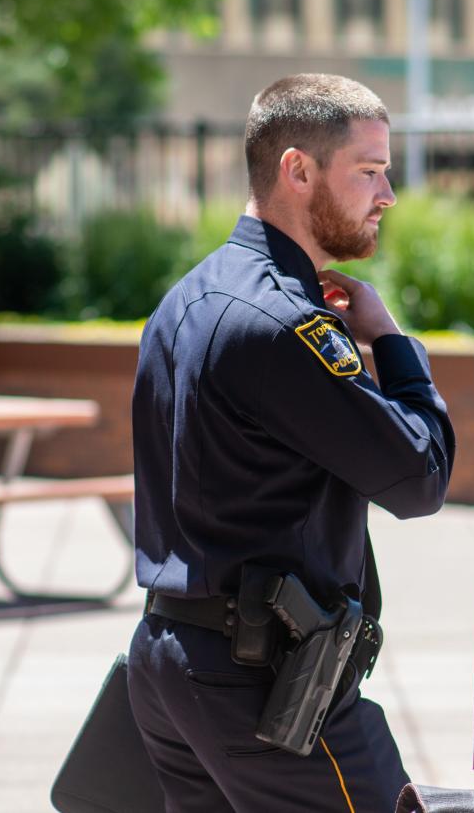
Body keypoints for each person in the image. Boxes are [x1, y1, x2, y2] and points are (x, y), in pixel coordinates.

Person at [127, 73, 455, 812]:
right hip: (267, 687)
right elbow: (420, 477)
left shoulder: (188, 298)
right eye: (369, 171)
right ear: (297, 171)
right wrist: (394, 346)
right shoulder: (284, 323)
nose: (389, 194)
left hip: (171, 664)